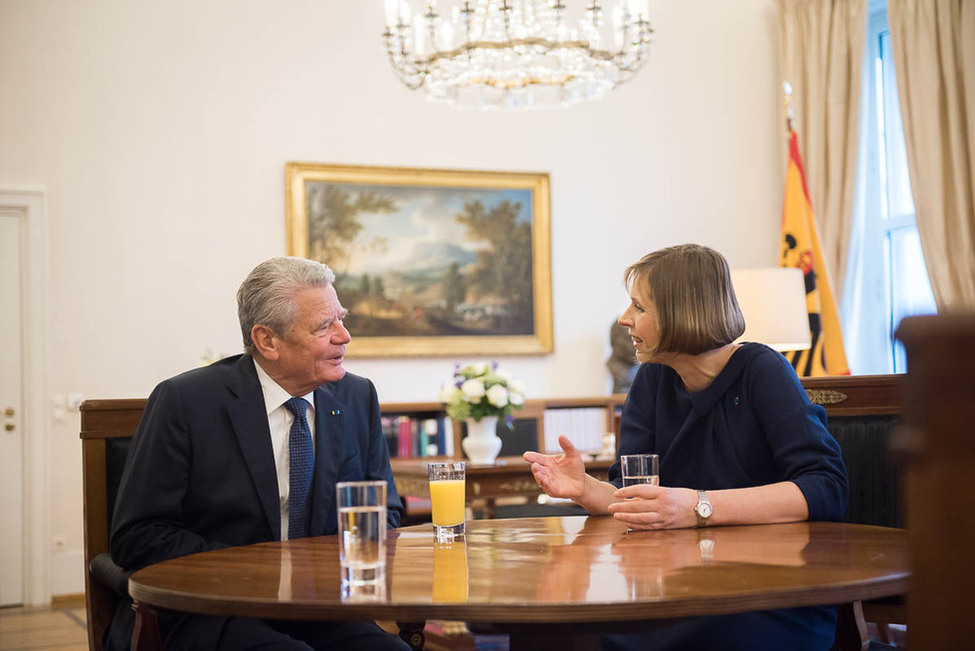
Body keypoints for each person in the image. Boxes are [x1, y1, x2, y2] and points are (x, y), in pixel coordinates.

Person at [524, 244, 849, 651]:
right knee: (566, 631)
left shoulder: (763, 371)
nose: (624, 319)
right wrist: (585, 488)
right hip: (678, 584)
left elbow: (826, 487)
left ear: (683, 312)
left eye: (639, 308)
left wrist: (698, 506)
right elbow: (635, 500)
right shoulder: (650, 381)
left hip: (769, 588)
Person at [106, 256, 408, 651]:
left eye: (341, 318)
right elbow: (138, 537)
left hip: (322, 607)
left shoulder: (356, 395)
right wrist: (263, 568)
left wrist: (342, 559)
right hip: (211, 609)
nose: (344, 335)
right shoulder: (186, 402)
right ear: (268, 341)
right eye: (324, 325)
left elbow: (384, 510)